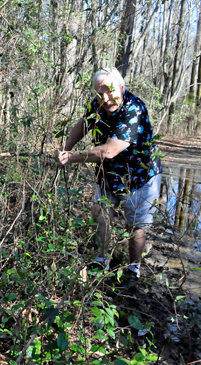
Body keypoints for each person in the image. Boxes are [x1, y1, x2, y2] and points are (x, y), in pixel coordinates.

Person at [54, 67, 162, 281]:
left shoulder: (134, 109)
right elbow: (84, 124)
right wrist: (65, 148)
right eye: (99, 93)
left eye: (110, 91)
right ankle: (102, 260)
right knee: (99, 212)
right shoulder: (98, 104)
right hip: (109, 172)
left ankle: (133, 269)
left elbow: (109, 151)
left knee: (135, 226)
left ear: (122, 88)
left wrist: (71, 157)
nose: (105, 97)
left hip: (139, 176)